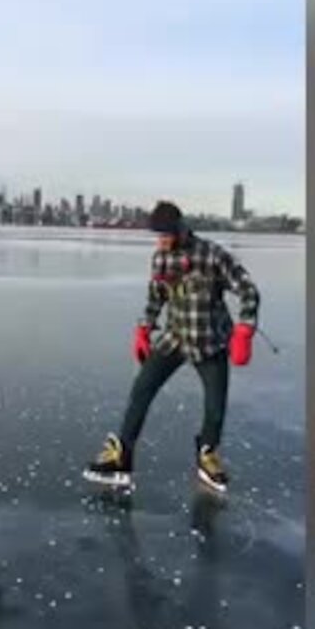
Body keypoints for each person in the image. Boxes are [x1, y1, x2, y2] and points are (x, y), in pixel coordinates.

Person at [83, 200, 260, 493]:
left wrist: (244, 329)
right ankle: (121, 455)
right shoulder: (160, 258)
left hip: (210, 340)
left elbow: (248, 289)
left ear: (179, 230)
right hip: (176, 337)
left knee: (215, 406)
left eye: (165, 235)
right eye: (158, 236)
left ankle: (208, 454)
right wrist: (144, 328)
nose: (161, 241)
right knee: (142, 388)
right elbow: (155, 299)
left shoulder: (212, 255)